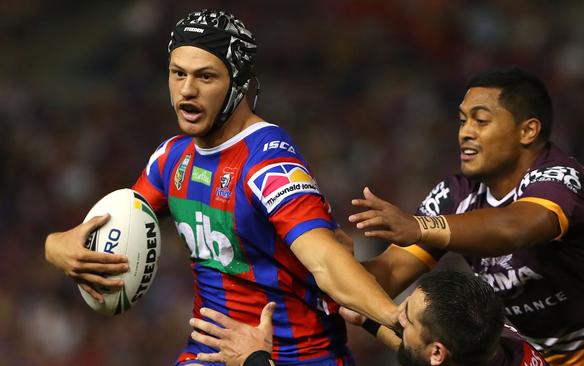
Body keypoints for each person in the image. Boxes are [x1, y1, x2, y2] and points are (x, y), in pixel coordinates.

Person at [44, 9, 399, 365]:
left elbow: (325, 259)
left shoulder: (269, 161)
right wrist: (57, 247)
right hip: (208, 354)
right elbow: (116, 226)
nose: (187, 90)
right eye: (178, 73)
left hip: (297, 357)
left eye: (206, 76)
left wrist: (395, 319)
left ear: (238, 83)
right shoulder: (170, 159)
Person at [348, 67, 584, 365]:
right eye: (462, 120)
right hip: (534, 358)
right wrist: (336, 269)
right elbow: (388, 273)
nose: (465, 132)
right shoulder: (454, 196)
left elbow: (514, 227)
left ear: (528, 130)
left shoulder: (563, 178)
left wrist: (421, 226)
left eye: (481, 121)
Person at [189, 270, 549, 366]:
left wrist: (255, 358)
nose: (396, 317)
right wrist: (369, 320)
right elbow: (420, 352)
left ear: (438, 353)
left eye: (404, 321)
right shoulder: (494, 335)